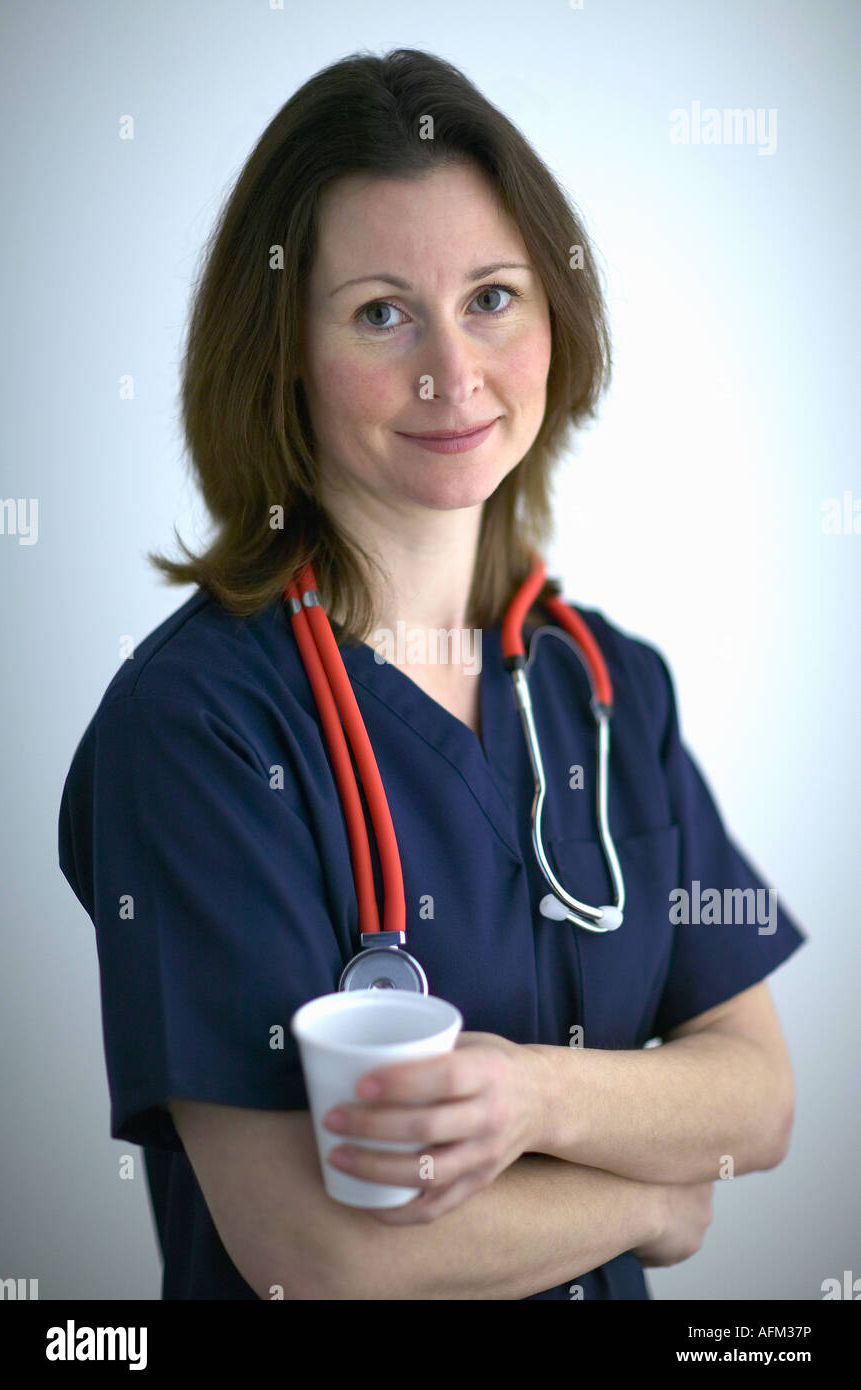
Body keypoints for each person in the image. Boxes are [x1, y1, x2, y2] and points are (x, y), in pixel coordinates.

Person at [57, 48, 806, 1301]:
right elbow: (319, 1254)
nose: (452, 374)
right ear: (283, 350)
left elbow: (762, 1094)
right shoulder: (194, 727)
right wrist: (655, 1191)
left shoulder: (606, 687)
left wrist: (530, 1093)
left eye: (494, 298)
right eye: (380, 311)